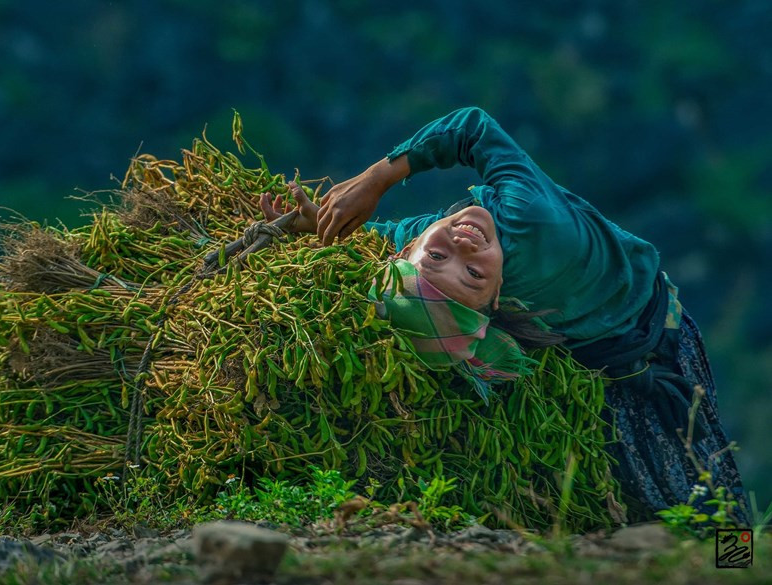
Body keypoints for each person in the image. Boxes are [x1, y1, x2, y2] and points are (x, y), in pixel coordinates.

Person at [259, 107, 748, 524]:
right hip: (616, 350)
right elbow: (466, 135)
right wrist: (357, 196)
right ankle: (722, 560)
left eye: (435, 257)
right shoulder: (513, 225)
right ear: (494, 304)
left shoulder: (495, 228)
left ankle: (741, 564)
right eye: (472, 274)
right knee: (675, 493)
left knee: (700, 492)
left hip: (646, 332)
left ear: (411, 246)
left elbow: (470, 130)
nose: (462, 246)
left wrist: (370, 182)